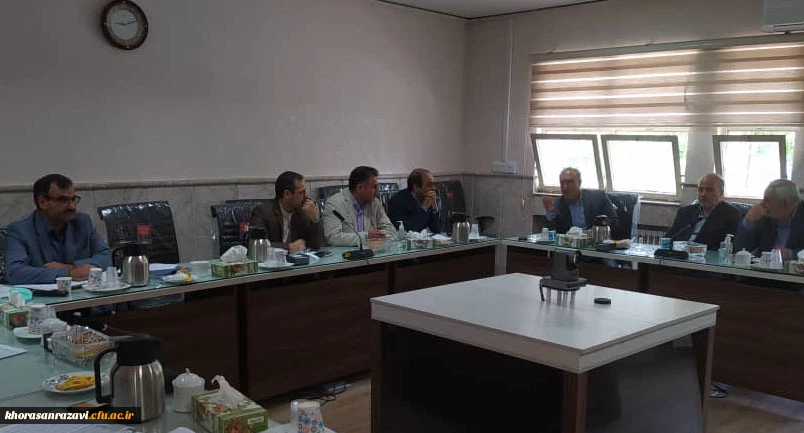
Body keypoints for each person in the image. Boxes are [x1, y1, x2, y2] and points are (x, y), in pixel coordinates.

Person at [5, 174, 110, 284]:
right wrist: (68, 274)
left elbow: (106, 256)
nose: (72, 206)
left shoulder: (82, 222)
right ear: (42, 202)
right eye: (64, 200)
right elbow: (15, 273)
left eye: (73, 199)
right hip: (43, 295)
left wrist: (71, 267)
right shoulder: (20, 231)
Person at [249, 171, 323, 253]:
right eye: (301, 192)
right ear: (287, 194)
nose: (306, 196)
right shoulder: (262, 211)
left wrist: (315, 220)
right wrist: (288, 248)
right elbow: (255, 244)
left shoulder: (303, 211)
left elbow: (315, 245)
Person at [665, 173, 741, 250]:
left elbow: (730, 247)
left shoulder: (731, 215)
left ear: (721, 192)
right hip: (678, 254)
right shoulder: (685, 212)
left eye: (709, 190)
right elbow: (668, 238)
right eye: (700, 190)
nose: (703, 194)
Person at [323, 166, 395, 247]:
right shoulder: (334, 204)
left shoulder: (375, 202)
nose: (377, 190)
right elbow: (333, 238)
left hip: (374, 251)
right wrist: (366, 236)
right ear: (360, 188)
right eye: (374, 187)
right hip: (345, 253)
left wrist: (383, 236)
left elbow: (390, 229)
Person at [735, 179, 804, 259]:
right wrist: (748, 222)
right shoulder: (763, 216)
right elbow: (739, 249)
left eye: (767, 200)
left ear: (787, 202)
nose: (762, 204)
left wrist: (791, 254)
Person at [543, 167, 618, 234]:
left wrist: (595, 231)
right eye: (562, 183)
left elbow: (614, 222)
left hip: (596, 241)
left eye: (569, 182)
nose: (565, 187)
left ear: (579, 183)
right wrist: (550, 212)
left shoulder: (598, 197)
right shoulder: (558, 203)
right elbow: (550, 233)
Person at [387, 168, 441, 233]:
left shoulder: (426, 198)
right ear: (416, 187)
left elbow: (437, 230)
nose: (433, 188)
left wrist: (434, 207)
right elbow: (408, 231)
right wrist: (423, 208)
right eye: (429, 185)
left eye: (433, 184)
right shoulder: (397, 201)